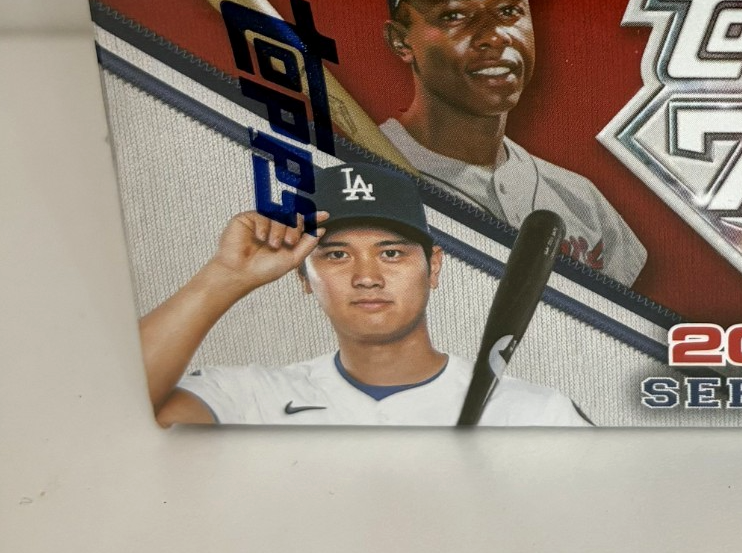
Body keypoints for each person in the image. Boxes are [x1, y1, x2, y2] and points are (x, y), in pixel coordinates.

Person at [141, 159, 588, 426]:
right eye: (337, 255)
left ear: (432, 267)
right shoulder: (252, 397)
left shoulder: (533, 414)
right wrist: (225, 276)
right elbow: (117, 415)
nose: (367, 277)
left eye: (391, 253)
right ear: (303, 276)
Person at [377, 0, 646, 286]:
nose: (494, 35)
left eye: (508, 10)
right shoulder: (358, 175)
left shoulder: (581, 200)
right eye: (455, 14)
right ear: (401, 41)